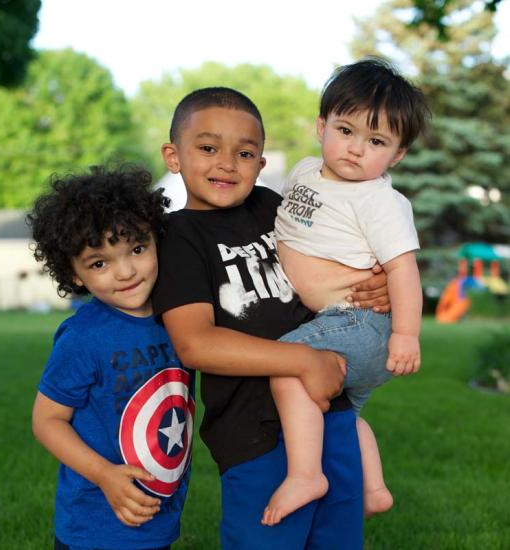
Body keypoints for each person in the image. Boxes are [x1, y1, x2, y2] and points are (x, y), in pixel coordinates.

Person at [153, 87, 390, 549]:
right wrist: (301, 360)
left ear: (261, 163)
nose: (226, 162)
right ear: (173, 155)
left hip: (328, 413)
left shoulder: (271, 206)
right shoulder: (177, 238)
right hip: (253, 434)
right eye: (207, 148)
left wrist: (372, 279)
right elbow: (196, 344)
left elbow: (335, 255)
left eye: (244, 152)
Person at [262, 58, 430, 526]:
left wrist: (406, 335)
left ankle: (305, 474)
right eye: (346, 130)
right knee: (342, 415)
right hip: (339, 323)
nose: (356, 149)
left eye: (376, 141)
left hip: (358, 323)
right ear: (321, 126)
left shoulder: (378, 200)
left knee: (286, 361)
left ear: (396, 155)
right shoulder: (304, 171)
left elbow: (403, 270)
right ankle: (374, 489)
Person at [28, 166, 194, 550]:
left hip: (157, 515)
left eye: (137, 249)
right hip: (95, 525)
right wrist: (104, 475)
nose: (125, 271)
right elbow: (47, 421)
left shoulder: (180, 315)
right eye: (99, 263)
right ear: (75, 274)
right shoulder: (83, 337)